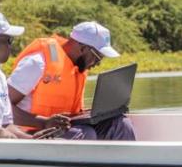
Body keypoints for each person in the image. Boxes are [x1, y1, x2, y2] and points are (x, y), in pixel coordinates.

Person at [7, 21, 135, 140]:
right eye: (97, 57)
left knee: (121, 124)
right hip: (35, 133)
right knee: (85, 133)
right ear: (83, 48)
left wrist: (97, 114)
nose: (97, 64)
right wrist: (42, 122)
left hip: (66, 128)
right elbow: (3, 107)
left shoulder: (77, 69)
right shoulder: (37, 62)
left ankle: (127, 164)